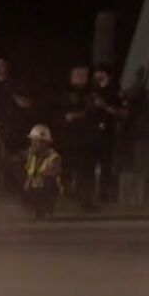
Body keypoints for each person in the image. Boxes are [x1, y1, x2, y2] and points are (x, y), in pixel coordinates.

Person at [89, 65, 128, 202]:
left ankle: (104, 195)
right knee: (89, 163)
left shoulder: (115, 91)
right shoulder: (93, 90)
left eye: (98, 72)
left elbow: (124, 112)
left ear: (105, 74)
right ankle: (87, 195)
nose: (95, 75)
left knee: (106, 164)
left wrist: (105, 106)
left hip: (108, 133)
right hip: (91, 132)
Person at [57, 65, 93, 209]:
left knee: (83, 169)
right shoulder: (66, 94)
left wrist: (78, 116)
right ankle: (66, 196)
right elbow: (60, 113)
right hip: (69, 137)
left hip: (84, 138)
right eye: (78, 74)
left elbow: (90, 112)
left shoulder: (88, 94)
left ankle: (84, 201)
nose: (82, 77)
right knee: (67, 167)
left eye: (84, 75)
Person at [22, 124, 63, 219]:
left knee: (47, 182)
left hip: (48, 188)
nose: (33, 144)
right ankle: (34, 209)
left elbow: (52, 174)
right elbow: (13, 158)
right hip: (33, 187)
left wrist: (31, 180)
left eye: (36, 142)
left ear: (45, 143)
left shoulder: (54, 156)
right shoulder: (30, 154)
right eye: (32, 141)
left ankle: (47, 209)